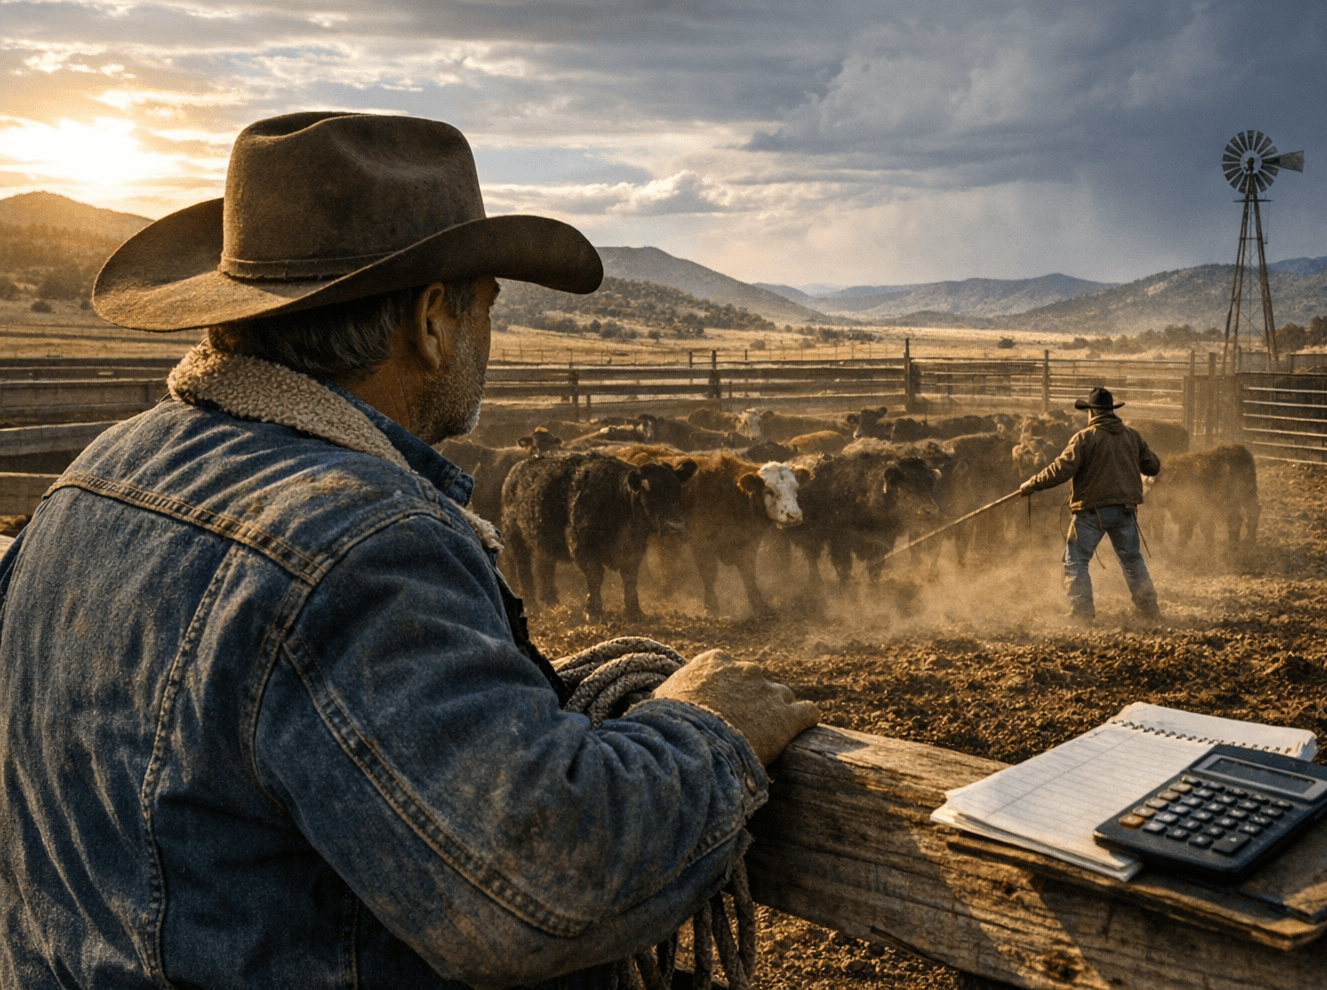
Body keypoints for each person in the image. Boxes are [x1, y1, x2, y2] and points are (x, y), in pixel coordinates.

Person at [0, 111, 819, 989]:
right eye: (486, 310)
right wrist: (708, 728)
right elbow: (540, 887)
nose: (487, 340)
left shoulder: (94, 478)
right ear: (434, 322)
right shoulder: (363, 541)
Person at [1017, 387, 1161, 622]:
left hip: (1092, 512)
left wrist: (1033, 484)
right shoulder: (1132, 436)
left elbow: (1061, 470)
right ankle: (1149, 610)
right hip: (1125, 510)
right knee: (1132, 560)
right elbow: (1153, 467)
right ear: (1111, 411)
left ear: (1091, 412)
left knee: (1075, 560)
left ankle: (1082, 612)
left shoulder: (1084, 438)